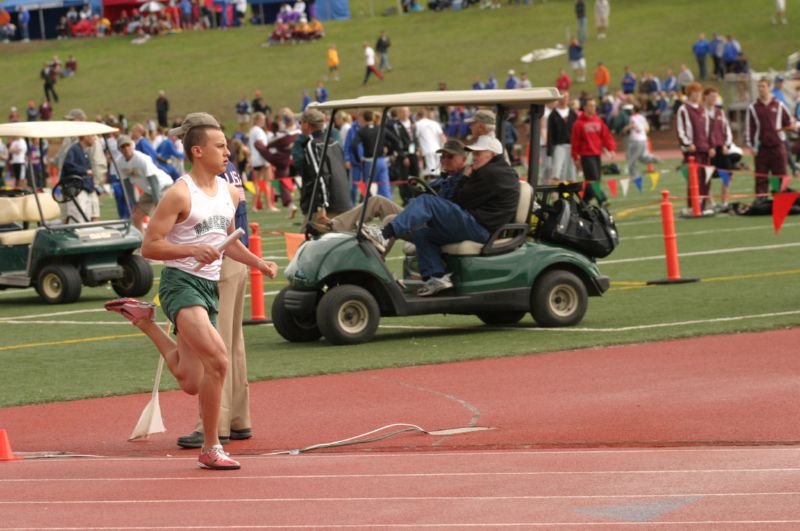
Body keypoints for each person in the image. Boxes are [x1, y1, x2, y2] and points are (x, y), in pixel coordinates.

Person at [105, 113, 278, 471]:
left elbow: (228, 243)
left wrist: (259, 263)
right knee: (218, 360)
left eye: (227, 146)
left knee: (191, 380)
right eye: (220, 147)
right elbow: (150, 247)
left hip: (208, 287)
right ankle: (212, 446)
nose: (227, 152)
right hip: (180, 285)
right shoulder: (179, 193)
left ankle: (145, 322)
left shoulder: (230, 192)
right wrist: (192, 250)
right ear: (197, 151)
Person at [372, 135, 518, 297]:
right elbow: (462, 199)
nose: (474, 158)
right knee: (424, 235)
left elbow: (459, 199)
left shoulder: (489, 173)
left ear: (491, 154)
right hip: (481, 225)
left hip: (481, 227)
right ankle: (437, 277)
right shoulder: (498, 171)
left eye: (478, 154)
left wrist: (465, 177)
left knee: (427, 202)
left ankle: (384, 234)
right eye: (474, 154)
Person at [176, 157, 253, 450]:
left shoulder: (210, 177)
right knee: (233, 344)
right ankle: (238, 418)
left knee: (213, 347)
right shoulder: (229, 170)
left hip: (217, 261)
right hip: (235, 258)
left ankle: (215, 424)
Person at [297, 108, 352, 228]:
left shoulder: (313, 145)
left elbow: (320, 176)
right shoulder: (334, 143)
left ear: (307, 124)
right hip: (343, 202)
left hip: (325, 208)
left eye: (301, 122)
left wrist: (321, 206)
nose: (300, 126)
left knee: (305, 244)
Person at [114, 135, 174, 232]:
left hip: (163, 186)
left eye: (127, 145)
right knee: (136, 217)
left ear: (132, 145)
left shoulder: (141, 159)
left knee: (159, 217)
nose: (126, 148)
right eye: (123, 147)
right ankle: (142, 243)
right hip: (149, 191)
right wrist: (133, 202)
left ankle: (169, 241)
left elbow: (153, 179)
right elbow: (126, 183)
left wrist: (157, 202)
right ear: (119, 149)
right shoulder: (119, 162)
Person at [746, 77, 795, 195]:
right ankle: (761, 201)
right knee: (761, 177)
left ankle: (781, 200)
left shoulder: (779, 105)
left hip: (777, 146)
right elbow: (749, 128)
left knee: (780, 175)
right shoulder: (753, 107)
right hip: (761, 147)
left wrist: (792, 125)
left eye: (763, 86)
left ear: (769, 88)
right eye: (759, 86)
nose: (760, 89)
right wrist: (751, 145)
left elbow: (788, 122)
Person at [571, 98, 616, 206]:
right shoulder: (578, 124)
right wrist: (575, 158)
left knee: (595, 180)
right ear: (585, 108)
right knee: (593, 180)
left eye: (594, 105)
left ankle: (584, 202)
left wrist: (611, 149)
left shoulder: (598, 120)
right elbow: (575, 141)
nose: (593, 108)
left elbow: (606, 136)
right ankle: (602, 199)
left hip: (597, 154)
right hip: (586, 156)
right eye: (591, 105)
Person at [676, 82, 712, 210]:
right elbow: (680, 130)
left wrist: (710, 146)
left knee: (706, 179)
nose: (697, 95)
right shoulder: (683, 109)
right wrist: (687, 144)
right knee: (694, 180)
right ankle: (693, 206)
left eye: (699, 92)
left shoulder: (703, 109)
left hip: (704, 149)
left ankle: (703, 204)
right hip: (692, 151)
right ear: (689, 94)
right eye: (694, 92)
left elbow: (708, 130)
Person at [704, 88, 733, 208]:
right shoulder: (701, 112)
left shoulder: (720, 112)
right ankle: (711, 202)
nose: (713, 99)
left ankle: (724, 201)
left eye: (715, 96)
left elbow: (726, 129)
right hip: (708, 151)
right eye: (711, 96)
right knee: (707, 176)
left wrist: (727, 144)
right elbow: (701, 133)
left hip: (721, 148)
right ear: (705, 97)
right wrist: (707, 147)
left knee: (727, 175)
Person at [384, 106, 419, 206]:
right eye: (402, 112)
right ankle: (407, 198)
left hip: (413, 153)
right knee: (404, 177)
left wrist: (418, 148)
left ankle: (416, 195)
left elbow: (414, 138)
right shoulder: (395, 125)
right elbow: (397, 142)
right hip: (403, 154)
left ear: (409, 112)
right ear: (399, 113)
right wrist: (403, 156)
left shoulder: (412, 123)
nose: (404, 113)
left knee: (415, 175)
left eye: (406, 111)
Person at [352, 110, 391, 199]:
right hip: (382, 161)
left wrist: (358, 159)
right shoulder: (381, 129)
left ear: (364, 119)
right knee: (384, 188)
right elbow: (395, 140)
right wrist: (387, 149)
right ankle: (388, 209)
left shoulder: (361, 131)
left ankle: (367, 209)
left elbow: (354, 145)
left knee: (367, 190)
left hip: (369, 162)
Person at [60, 134, 99, 223]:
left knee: (86, 218)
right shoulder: (74, 149)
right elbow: (68, 165)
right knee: (77, 218)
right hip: (76, 189)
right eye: (92, 136)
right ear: (85, 137)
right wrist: (85, 171)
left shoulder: (83, 151)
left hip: (84, 188)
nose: (95, 138)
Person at [622, 100, 660, 180]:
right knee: (642, 157)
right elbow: (647, 129)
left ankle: (634, 175)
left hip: (635, 140)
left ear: (633, 110)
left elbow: (633, 126)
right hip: (644, 139)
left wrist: (626, 129)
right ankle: (655, 159)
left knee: (632, 158)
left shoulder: (632, 118)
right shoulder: (642, 117)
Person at [547, 91, 578, 183]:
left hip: (572, 146)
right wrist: (550, 150)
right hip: (558, 145)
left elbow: (577, 132)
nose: (564, 99)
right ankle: (555, 194)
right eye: (562, 97)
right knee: (557, 170)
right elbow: (550, 133)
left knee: (571, 171)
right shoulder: (553, 115)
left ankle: (568, 194)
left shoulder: (573, 114)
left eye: (566, 97)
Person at [247, 112, 271, 212]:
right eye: (262, 119)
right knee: (266, 183)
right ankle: (269, 206)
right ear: (257, 120)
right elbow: (262, 146)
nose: (264, 121)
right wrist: (267, 160)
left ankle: (254, 206)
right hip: (261, 159)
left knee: (257, 183)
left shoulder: (252, 130)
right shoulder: (258, 131)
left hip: (255, 159)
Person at [415, 108, 445, 176]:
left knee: (430, 174)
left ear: (418, 116)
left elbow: (414, 139)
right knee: (437, 172)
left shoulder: (417, 124)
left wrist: (418, 150)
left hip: (427, 152)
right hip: (438, 150)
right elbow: (443, 138)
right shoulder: (435, 123)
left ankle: (432, 186)